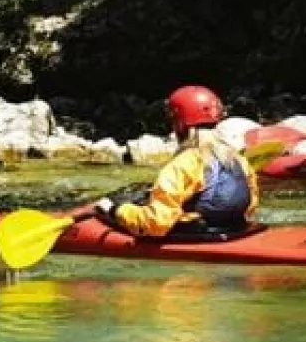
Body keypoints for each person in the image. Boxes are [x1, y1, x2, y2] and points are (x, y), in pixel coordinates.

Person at [94, 85, 259, 238]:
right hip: (237, 232)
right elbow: (250, 206)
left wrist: (116, 210)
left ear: (179, 124)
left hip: (196, 237)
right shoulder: (238, 159)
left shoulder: (182, 165)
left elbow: (157, 223)